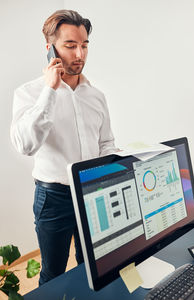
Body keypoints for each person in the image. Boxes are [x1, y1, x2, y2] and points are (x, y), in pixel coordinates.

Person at [10, 9, 117, 285]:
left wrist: (111, 177)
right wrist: (50, 91)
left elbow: (106, 143)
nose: (79, 54)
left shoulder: (97, 96)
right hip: (53, 198)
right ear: (50, 49)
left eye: (84, 45)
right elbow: (25, 144)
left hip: (94, 189)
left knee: (95, 263)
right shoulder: (29, 94)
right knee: (53, 273)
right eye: (70, 45)